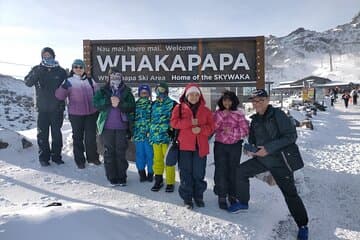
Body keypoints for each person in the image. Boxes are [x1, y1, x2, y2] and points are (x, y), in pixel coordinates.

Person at [229, 89, 309, 240]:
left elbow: (291, 136)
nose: (257, 103)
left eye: (260, 100)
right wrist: (250, 149)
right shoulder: (255, 120)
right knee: (241, 171)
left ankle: (303, 225)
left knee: (290, 194)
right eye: (254, 100)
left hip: (280, 162)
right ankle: (243, 203)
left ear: (267, 100)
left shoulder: (277, 115)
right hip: (262, 159)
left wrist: (269, 148)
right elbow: (253, 140)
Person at [170, 83, 214, 209]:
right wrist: (189, 122)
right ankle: (187, 199)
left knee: (199, 174)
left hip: (201, 148)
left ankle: (198, 196)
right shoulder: (178, 108)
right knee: (185, 174)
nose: (194, 97)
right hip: (184, 147)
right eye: (191, 94)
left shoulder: (206, 110)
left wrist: (200, 129)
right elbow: (173, 123)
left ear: (200, 96)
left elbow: (211, 128)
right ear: (186, 95)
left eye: (196, 94)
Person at [24, 47, 67, 166]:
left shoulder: (61, 71)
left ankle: (56, 157)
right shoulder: (37, 69)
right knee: (42, 134)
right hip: (42, 109)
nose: (47, 57)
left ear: (54, 56)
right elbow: (27, 82)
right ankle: (44, 158)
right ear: (42, 57)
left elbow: (68, 87)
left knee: (56, 134)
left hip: (57, 108)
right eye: (44, 55)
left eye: (49, 55)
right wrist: (38, 71)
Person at [92, 68, 135, 186]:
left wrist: (120, 103)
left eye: (118, 77)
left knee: (121, 152)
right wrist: (108, 101)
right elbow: (96, 103)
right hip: (107, 127)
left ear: (121, 78)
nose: (115, 79)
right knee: (109, 152)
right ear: (108, 77)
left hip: (122, 127)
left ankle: (122, 177)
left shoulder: (126, 91)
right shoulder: (103, 90)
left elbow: (131, 106)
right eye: (113, 77)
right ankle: (112, 177)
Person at [55, 59, 100, 169]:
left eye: (80, 67)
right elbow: (59, 96)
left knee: (90, 137)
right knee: (78, 137)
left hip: (91, 113)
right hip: (76, 114)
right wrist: (63, 87)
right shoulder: (68, 81)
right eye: (76, 67)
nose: (78, 69)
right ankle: (80, 160)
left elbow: (98, 94)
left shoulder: (90, 80)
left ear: (84, 68)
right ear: (73, 68)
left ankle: (93, 158)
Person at [213, 91, 249, 210]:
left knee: (233, 171)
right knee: (220, 170)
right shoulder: (218, 113)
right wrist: (223, 115)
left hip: (234, 146)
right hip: (220, 146)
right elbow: (213, 127)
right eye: (225, 100)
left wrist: (232, 132)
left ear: (233, 101)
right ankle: (221, 195)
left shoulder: (239, 114)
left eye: (229, 100)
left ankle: (232, 195)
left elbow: (245, 130)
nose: (227, 102)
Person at [149, 81, 177, 192]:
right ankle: (158, 180)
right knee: (157, 160)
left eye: (162, 90)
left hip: (167, 138)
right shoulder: (153, 104)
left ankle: (170, 182)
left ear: (166, 91)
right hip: (155, 137)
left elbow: (176, 120)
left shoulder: (173, 104)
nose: (159, 92)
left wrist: (173, 132)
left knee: (168, 161)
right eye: (157, 90)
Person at [134, 84, 154, 182]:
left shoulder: (152, 105)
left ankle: (151, 173)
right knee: (139, 154)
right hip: (138, 135)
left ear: (149, 94)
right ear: (139, 94)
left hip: (149, 135)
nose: (144, 94)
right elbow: (131, 119)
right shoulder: (135, 105)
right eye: (142, 93)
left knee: (150, 154)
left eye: (146, 93)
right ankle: (141, 173)